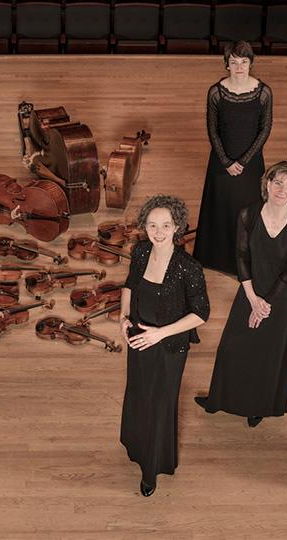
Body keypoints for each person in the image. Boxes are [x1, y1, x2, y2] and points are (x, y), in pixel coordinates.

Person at [195, 162, 287, 427]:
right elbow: (241, 257)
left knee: (269, 353)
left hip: (282, 298)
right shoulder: (248, 214)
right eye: (278, 183)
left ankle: (258, 405)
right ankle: (220, 398)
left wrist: (264, 304)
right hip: (251, 289)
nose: (283, 190)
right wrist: (252, 298)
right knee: (232, 346)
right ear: (268, 183)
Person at [119, 195, 209, 497]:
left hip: (168, 346)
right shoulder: (141, 251)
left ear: (177, 227)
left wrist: (160, 334)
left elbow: (201, 314)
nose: (158, 231)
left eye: (166, 225)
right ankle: (135, 446)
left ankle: (151, 470)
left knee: (159, 405)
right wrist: (123, 316)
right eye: (153, 225)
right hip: (137, 337)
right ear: (145, 225)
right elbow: (130, 285)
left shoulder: (188, 267)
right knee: (138, 393)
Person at [193, 41, 273, 276]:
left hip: (252, 162)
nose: (239, 67)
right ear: (227, 65)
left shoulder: (264, 92)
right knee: (221, 208)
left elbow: (265, 129)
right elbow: (213, 130)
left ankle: (245, 260)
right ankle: (217, 259)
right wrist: (226, 161)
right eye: (234, 62)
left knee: (248, 210)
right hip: (221, 161)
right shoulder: (216, 92)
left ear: (251, 64)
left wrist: (244, 161)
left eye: (244, 62)